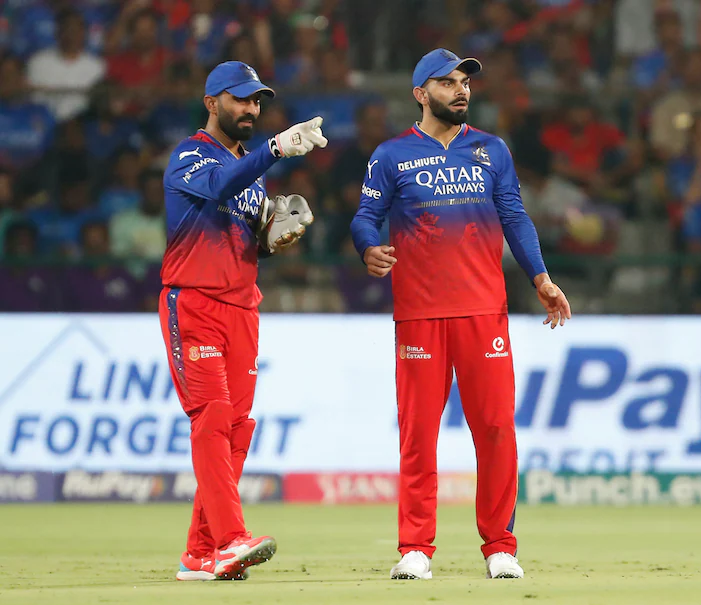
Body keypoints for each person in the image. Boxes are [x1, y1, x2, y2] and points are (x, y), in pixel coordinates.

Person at [350, 48, 572, 581]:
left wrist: (540, 277)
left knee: (495, 429)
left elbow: (515, 216)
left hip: (483, 313)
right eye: (447, 83)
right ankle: (416, 549)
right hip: (420, 315)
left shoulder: (492, 150)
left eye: (464, 82)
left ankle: (500, 545)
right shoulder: (391, 155)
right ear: (420, 94)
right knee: (418, 433)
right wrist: (367, 248)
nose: (461, 90)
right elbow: (365, 216)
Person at [159, 60, 327, 582]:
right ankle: (232, 539)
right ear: (212, 103)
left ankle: (200, 552)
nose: (251, 109)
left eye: (257, 101)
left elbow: (246, 240)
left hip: (242, 310)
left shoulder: (252, 181)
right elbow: (218, 187)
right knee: (211, 417)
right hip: (195, 305)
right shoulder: (190, 155)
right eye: (240, 99)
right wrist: (275, 149)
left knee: (236, 428)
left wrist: (273, 238)